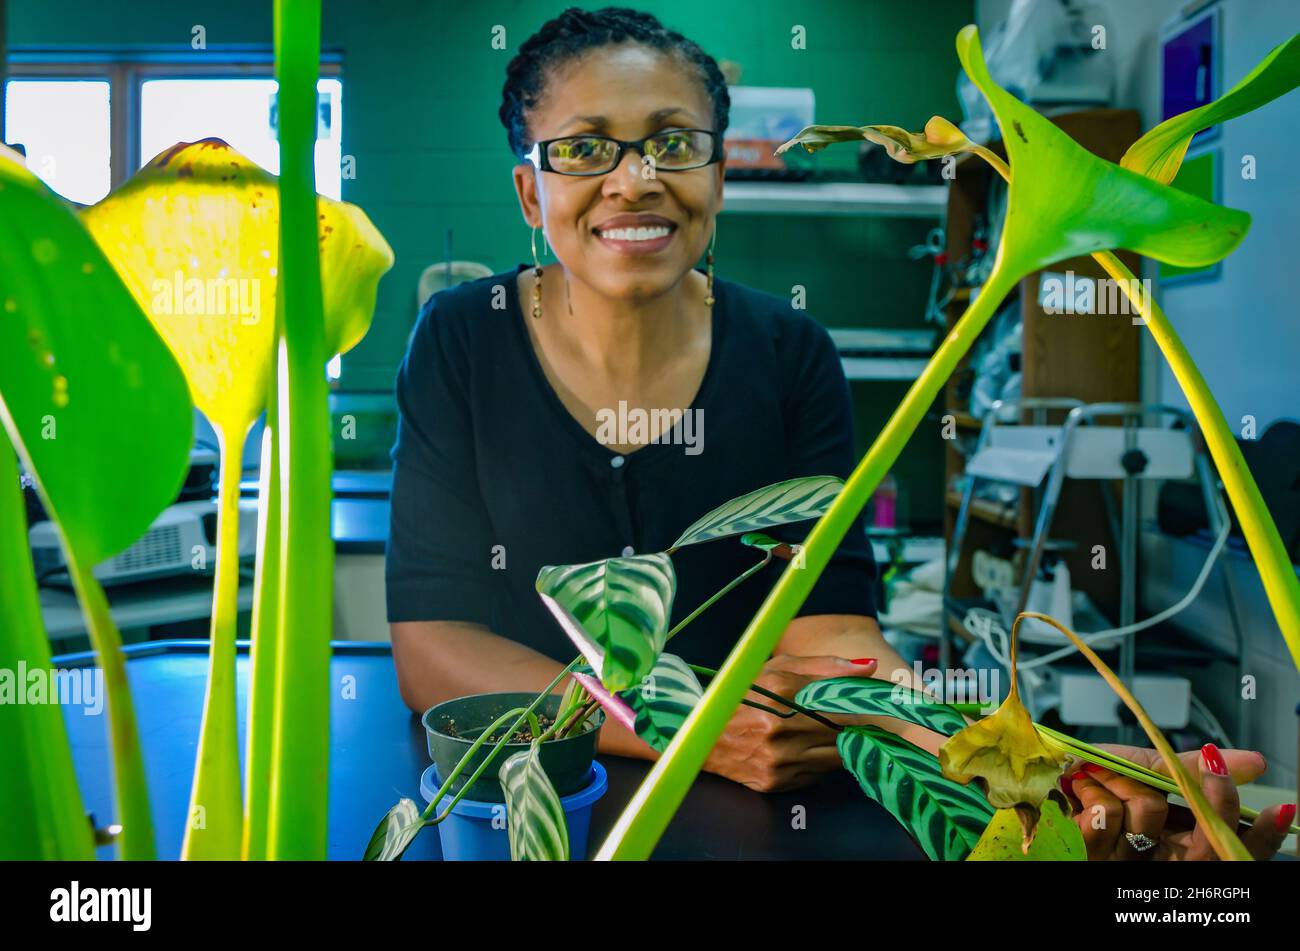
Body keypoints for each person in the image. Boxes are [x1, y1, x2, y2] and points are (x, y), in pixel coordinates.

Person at [385, 5, 1292, 859]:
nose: (636, 178)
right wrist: (691, 733)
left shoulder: (789, 351)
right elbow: (434, 648)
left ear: (717, 175)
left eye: (673, 141)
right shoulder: (464, 335)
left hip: (763, 820)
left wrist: (1033, 769)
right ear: (530, 193)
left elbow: (830, 636)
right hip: (521, 808)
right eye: (584, 149)